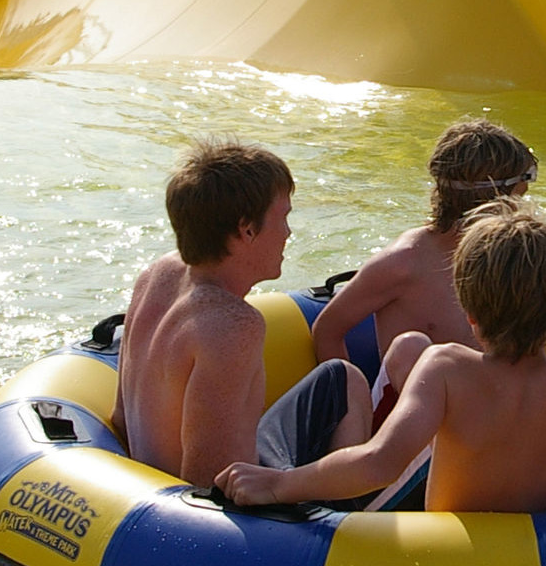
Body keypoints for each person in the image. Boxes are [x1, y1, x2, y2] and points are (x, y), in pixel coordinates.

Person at [221, 203, 546, 514]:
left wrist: (280, 484)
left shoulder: (446, 370)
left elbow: (378, 463)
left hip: (450, 561)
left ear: (471, 312)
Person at [310, 119, 546, 384]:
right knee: (413, 347)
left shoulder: (497, 256)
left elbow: (528, 262)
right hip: (411, 422)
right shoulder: (404, 264)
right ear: (494, 196)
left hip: (481, 411)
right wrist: (352, 413)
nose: (526, 198)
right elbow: (327, 328)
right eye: (524, 185)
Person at [113, 140, 375, 487]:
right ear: (246, 229)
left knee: (339, 378)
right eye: (283, 217)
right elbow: (212, 486)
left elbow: (119, 418)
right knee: (352, 388)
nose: (288, 233)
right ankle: (347, 520)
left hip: (141, 484)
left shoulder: (157, 275)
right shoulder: (231, 326)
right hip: (190, 515)